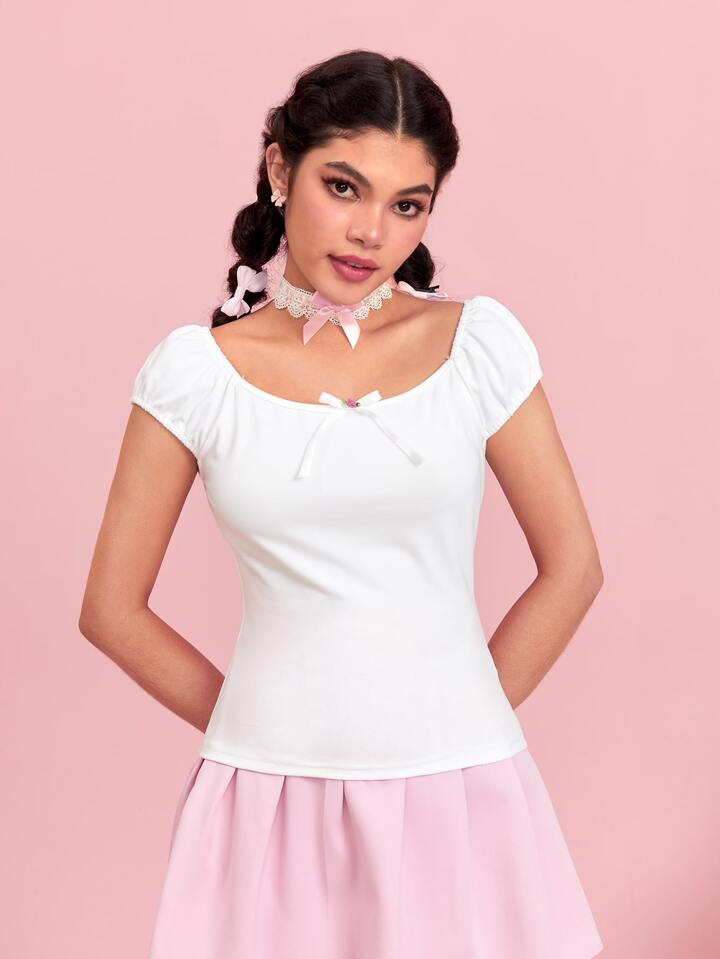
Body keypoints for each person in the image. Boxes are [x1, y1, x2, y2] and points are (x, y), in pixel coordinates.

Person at [79, 49, 604, 958]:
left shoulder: (477, 346)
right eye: (343, 186)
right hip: (270, 795)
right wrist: (255, 725)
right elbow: (110, 609)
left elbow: (574, 567)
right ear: (280, 168)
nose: (370, 232)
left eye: (408, 204)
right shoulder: (195, 374)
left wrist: (464, 717)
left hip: (458, 784)